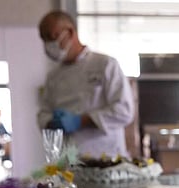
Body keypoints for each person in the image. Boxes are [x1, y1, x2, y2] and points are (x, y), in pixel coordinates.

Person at [37, 10, 135, 158]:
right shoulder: (53, 77)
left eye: (52, 38)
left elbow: (124, 111)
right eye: (44, 40)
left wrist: (80, 121)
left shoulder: (105, 65)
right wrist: (52, 122)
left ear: (70, 32)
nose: (49, 45)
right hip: (69, 162)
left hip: (107, 159)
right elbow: (43, 114)